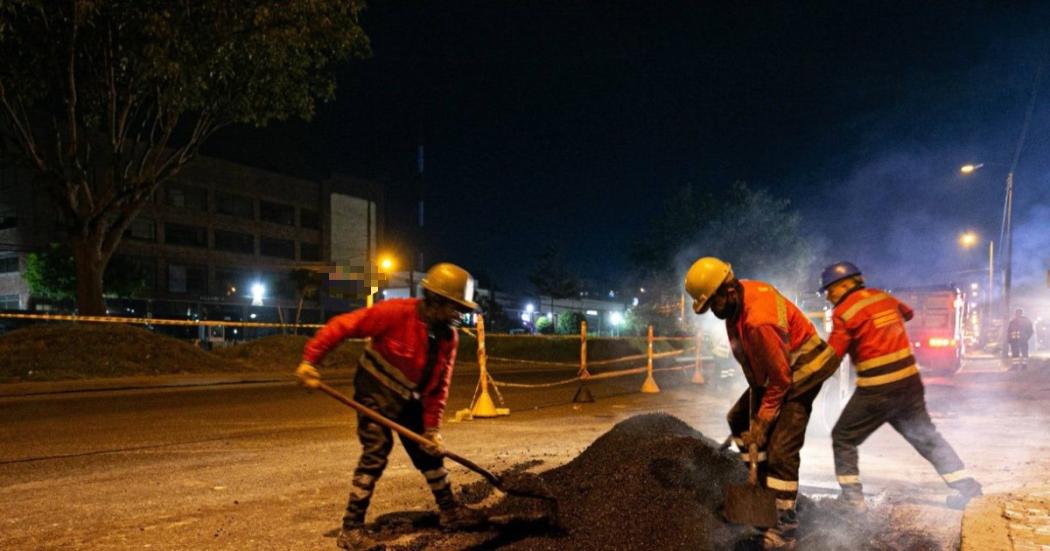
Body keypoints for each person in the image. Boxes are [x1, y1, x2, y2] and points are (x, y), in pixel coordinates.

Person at [295, 263, 480, 549]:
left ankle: (450, 512)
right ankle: (351, 528)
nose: (460, 315)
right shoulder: (395, 313)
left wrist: (432, 429)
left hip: (409, 398)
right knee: (376, 451)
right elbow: (343, 326)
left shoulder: (448, 338)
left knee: (428, 453)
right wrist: (310, 361)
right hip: (374, 391)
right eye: (455, 308)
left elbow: (438, 387)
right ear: (435, 300)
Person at [685, 257, 840, 550]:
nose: (711, 312)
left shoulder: (759, 319)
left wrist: (764, 420)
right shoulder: (735, 308)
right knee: (738, 419)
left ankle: (784, 528)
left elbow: (781, 380)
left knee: (782, 449)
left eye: (711, 305)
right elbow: (755, 370)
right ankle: (761, 493)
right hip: (778, 370)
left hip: (803, 371)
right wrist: (754, 420)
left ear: (726, 290)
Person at [820, 261, 982, 511]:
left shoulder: (844, 312)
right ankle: (968, 489)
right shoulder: (883, 297)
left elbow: (833, 356)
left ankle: (853, 502)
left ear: (844, 285)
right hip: (908, 386)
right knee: (927, 438)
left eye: (829, 290)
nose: (829, 296)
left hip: (876, 390)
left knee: (843, 437)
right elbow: (908, 314)